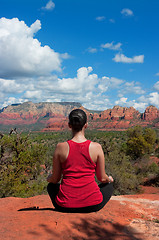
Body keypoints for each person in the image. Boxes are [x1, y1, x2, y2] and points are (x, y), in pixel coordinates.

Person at [47, 109, 114, 213]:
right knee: (108, 185)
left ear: (69, 125)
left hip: (65, 206)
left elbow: (55, 179)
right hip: (93, 205)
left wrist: (49, 178)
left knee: (51, 186)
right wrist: (109, 179)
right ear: (86, 125)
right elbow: (102, 178)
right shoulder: (96, 147)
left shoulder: (60, 147)